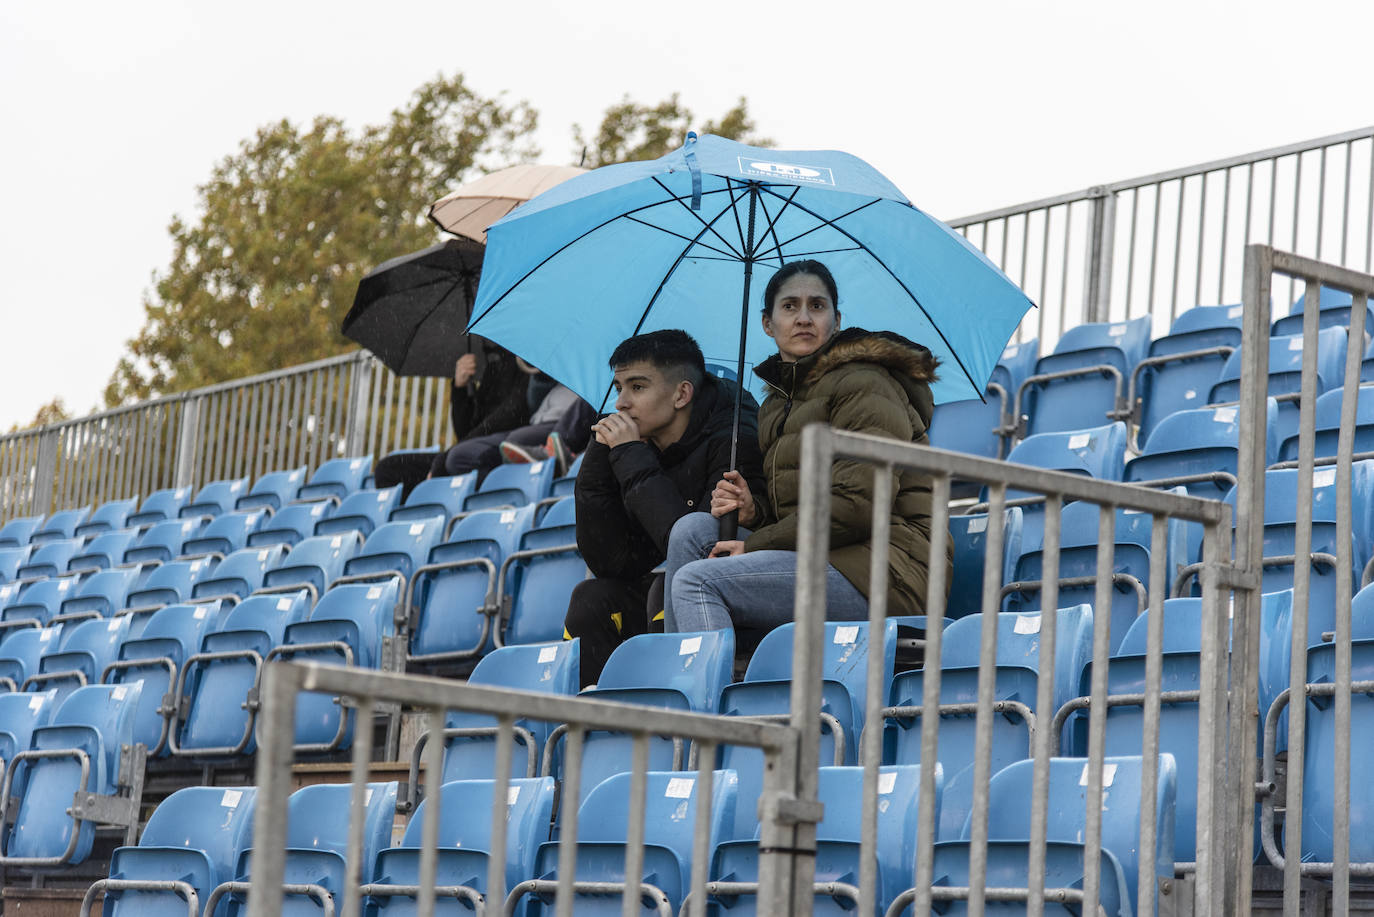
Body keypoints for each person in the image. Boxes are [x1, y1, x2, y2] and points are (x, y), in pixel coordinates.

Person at [663, 259, 952, 638]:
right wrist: (756, 511)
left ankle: (703, 693)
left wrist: (755, 546)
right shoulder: (776, 405)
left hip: (886, 570)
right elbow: (798, 516)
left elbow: (856, 507)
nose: (803, 318)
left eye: (817, 306)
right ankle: (695, 671)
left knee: (698, 582)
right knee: (692, 530)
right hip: (823, 556)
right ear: (767, 323)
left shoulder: (865, 383)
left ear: (836, 319)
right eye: (789, 307)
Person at [565, 330, 765, 687]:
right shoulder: (642, 440)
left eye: (637, 387)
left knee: (665, 590)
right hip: (676, 589)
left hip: (729, 600)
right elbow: (613, 561)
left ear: (681, 394)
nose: (622, 403)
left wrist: (629, 454)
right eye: (619, 388)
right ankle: (598, 727)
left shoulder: (736, 439)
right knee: (592, 598)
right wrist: (600, 458)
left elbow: (696, 549)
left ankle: (670, 710)